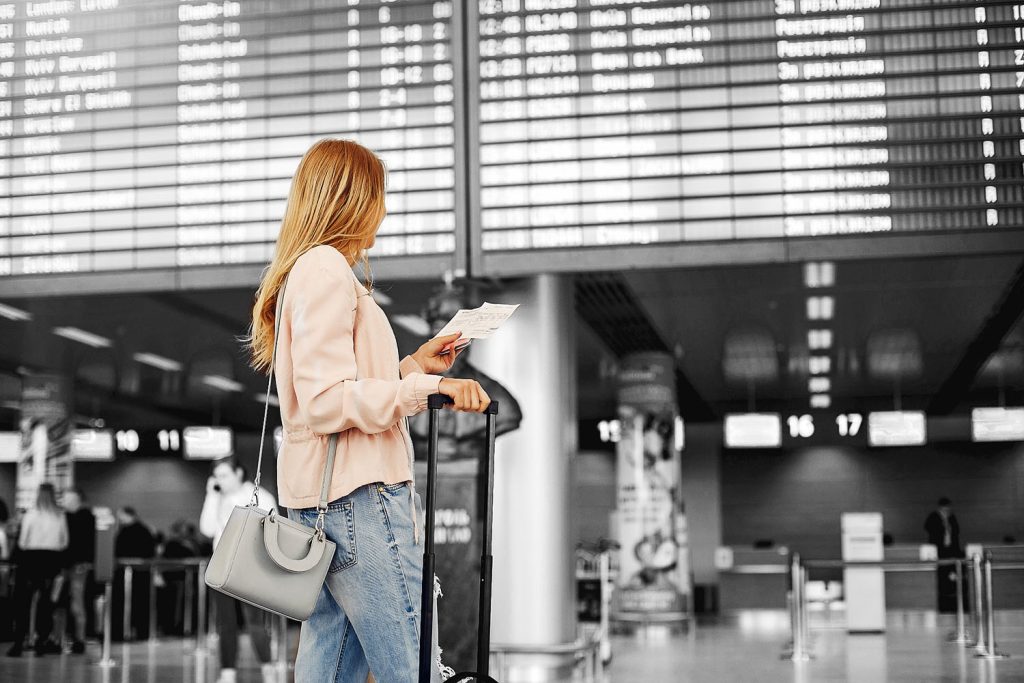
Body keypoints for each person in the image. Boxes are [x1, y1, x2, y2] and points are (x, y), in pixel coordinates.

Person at [247, 138, 491, 683]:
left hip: (323, 506)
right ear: (353, 198)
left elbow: (338, 391)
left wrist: (413, 368)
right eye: (378, 195)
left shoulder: (305, 273)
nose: (383, 209)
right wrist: (427, 392)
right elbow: (328, 401)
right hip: (363, 501)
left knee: (329, 670)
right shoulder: (328, 269)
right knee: (416, 669)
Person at [199, 458, 277, 683]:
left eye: (224, 475)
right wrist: (211, 496)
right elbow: (207, 528)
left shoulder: (259, 494)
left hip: (251, 566)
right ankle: (228, 671)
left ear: (238, 473)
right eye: (217, 476)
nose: (220, 481)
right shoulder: (217, 497)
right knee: (226, 622)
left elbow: (273, 527)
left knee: (255, 620)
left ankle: (267, 666)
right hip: (222, 564)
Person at [7, 483, 68, 657]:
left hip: (30, 559)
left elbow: (22, 542)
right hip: (52, 560)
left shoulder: (31, 515)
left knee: (23, 602)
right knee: (46, 603)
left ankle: (19, 642)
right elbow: (65, 542)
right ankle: (41, 641)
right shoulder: (59, 516)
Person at [61, 488, 95, 654]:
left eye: (67, 498)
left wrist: (85, 561)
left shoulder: (84, 517)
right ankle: (71, 637)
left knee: (76, 602)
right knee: (74, 601)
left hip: (75, 565)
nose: (64, 501)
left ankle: (78, 638)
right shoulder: (72, 516)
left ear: (76, 499)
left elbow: (84, 543)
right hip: (71, 565)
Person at [114, 507, 156, 640]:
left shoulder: (130, 531)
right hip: (140, 574)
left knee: (131, 604)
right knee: (140, 605)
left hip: (133, 574)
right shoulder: (144, 530)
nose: (119, 519)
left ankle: (123, 632)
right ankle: (140, 632)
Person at [924, 496, 964, 613]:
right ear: (940, 507)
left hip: (951, 549)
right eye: (945, 509)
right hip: (939, 550)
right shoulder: (933, 517)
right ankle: (943, 599)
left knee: (952, 574)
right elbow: (929, 528)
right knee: (942, 574)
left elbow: (956, 532)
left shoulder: (952, 517)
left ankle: (952, 599)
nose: (948, 511)